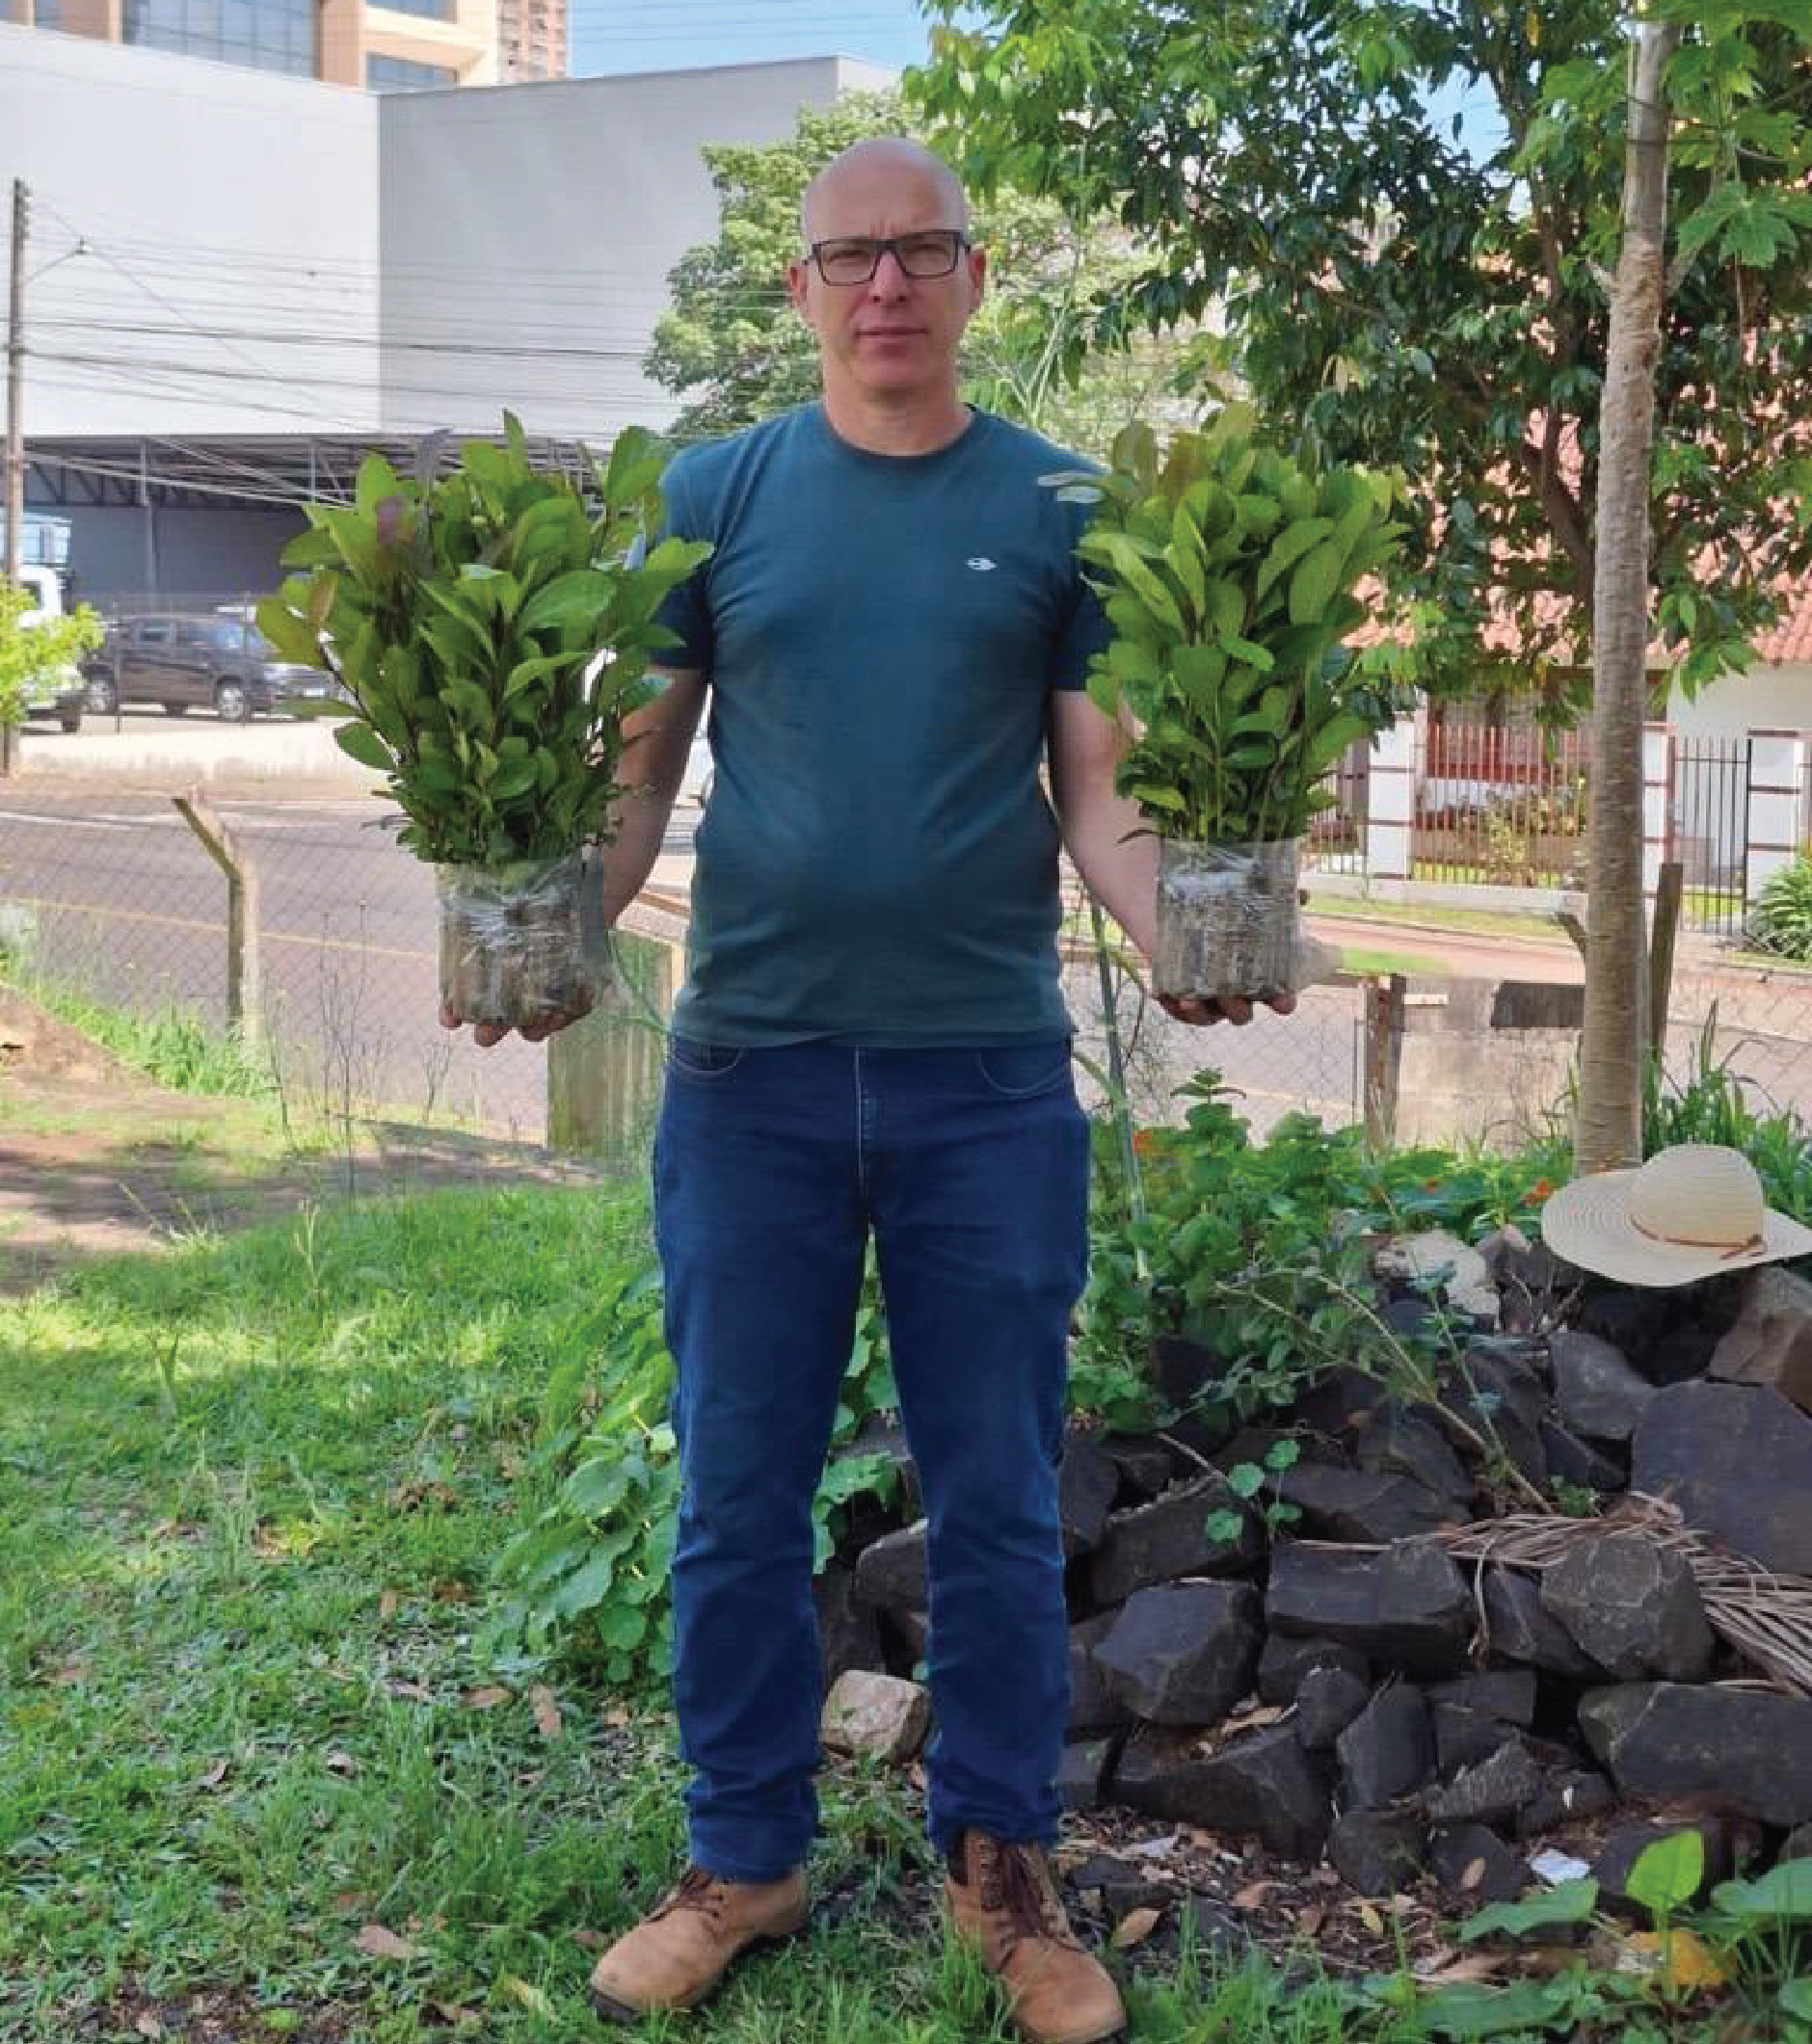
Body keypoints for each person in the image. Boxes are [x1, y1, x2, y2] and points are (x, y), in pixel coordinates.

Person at [444, 137, 1292, 2042]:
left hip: (981, 1085)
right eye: (850, 257)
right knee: (735, 1496)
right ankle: (742, 1856)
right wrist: (547, 932)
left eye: (920, 252)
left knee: (993, 1495)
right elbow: (643, 779)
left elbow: (1097, 792)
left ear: (975, 279)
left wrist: (1176, 926)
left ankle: (1003, 1866)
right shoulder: (718, 492)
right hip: (747, 1075)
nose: (885, 284)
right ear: (803, 290)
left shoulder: (1059, 505)